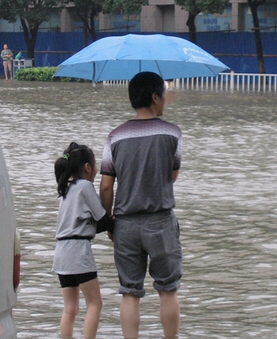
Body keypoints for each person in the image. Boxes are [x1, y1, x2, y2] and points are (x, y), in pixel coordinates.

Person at [99, 71, 183, 339]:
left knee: (130, 292)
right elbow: (172, 175)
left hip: (125, 224)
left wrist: (109, 221)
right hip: (161, 222)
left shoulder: (114, 137)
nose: (166, 100)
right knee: (168, 290)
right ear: (155, 97)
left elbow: (105, 185)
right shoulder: (173, 132)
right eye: (164, 95)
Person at [53, 142, 113, 339]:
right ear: (88, 167)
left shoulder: (65, 188)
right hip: (78, 252)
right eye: (95, 165)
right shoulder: (85, 186)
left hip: (61, 254)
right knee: (95, 304)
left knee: (70, 309)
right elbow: (102, 219)